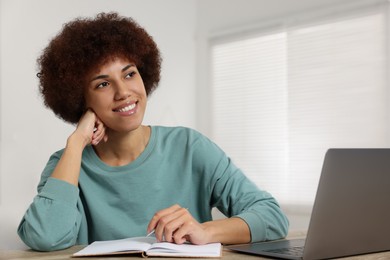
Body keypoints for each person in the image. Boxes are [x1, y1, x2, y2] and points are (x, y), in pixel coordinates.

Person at [17, 12, 289, 252]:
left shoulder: (189, 147)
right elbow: (45, 237)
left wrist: (206, 231)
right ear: (79, 100)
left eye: (129, 74)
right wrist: (76, 142)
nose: (124, 92)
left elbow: (272, 218)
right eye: (102, 84)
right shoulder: (66, 164)